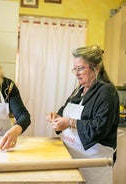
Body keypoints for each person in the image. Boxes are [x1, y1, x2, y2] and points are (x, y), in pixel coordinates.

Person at [46, 45, 119, 184]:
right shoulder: (80, 90)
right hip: (72, 158)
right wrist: (56, 117)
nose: (76, 73)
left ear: (95, 68)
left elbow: (100, 127)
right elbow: (64, 112)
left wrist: (69, 123)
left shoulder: (106, 92)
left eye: (80, 68)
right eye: (75, 68)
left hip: (93, 162)